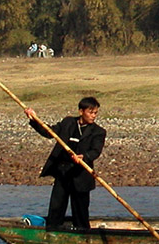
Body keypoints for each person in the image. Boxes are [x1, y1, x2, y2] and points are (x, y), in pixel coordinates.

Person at [24, 97, 106, 230]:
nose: (93, 116)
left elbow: (95, 151)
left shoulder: (98, 131)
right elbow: (49, 132)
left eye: (95, 113)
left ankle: (83, 236)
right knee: (56, 208)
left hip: (81, 175)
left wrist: (83, 157)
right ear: (81, 111)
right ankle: (52, 232)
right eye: (91, 112)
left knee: (80, 212)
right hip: (63, 173)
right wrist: (34, 119)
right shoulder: (68, 123)